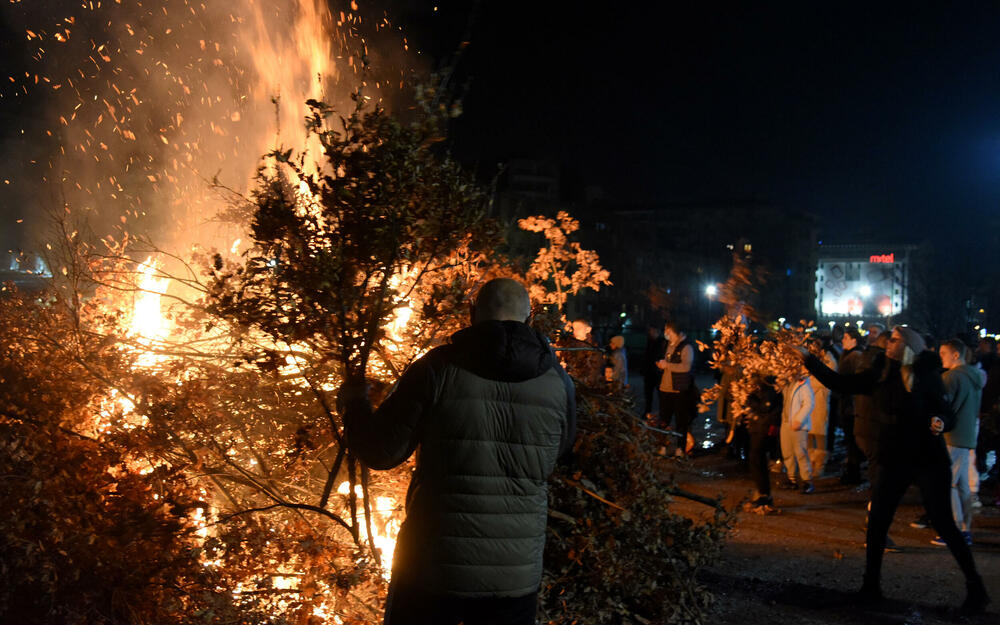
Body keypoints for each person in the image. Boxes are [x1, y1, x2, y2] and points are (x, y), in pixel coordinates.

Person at [342, 278, 576, 625]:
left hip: (432, 572)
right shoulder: (559, 382)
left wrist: (354, 405)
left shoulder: (436, 369)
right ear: (530, 321)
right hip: (513, 580)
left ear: (471, 314)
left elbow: (381, 451)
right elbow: (562, 451)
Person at [799, 326, 989, 615]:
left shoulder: (928, 376)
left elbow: (946, 412)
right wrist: (807, 359)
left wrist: (940, 421)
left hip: (928, 458)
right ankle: (870, 587)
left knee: (944, 523)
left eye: (896, 339)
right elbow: (841, 383)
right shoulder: (880, 372)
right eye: (889, 338)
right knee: (877, 523)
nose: (889, 342)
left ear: (910, 345)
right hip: (893, 457)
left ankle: (976, 589)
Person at [933, 339, 982, 546]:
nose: (940, 356)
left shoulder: (951, 378)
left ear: (955, 355)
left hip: (952, 436)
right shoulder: (975, 377)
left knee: (948, 483)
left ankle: (955, 530)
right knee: (961, 485)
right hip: (967, 435)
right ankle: (964, 529)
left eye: (943, 353)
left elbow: (943, 408)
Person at [656, 323, 698, 456]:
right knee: (664, 420)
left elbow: (686, 367)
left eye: (666, 330)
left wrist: (667, 365)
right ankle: (662, 447)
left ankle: (680, 448)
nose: (665, 332)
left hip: (680, 390)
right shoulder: (667, 345)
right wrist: (662, 366)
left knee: (681, 421)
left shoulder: (686, 347)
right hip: (665, 388)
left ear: (672, 330)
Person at [746, 374, 782, 510]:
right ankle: (762, 493)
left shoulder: (769, 391)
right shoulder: (765, 389)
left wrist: (751, 399)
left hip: (763, 428)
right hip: (759, 427)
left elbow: (765, 407)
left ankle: (764, 494)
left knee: (758, 460)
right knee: (756, 461)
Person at [838, 328, 866, 484]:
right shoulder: (849, 355)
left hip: (852, 407)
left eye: (846, 337)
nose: (843, 340)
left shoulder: (855, 357)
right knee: (850, 441)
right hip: (848, 406)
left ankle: (854, 473)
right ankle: (852, 470)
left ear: (854, 340)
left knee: (853, 441)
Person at [780, 370, 815, 493]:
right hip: (785, 422)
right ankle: (792, 479)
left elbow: (809, 403)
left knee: (800, 452)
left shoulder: (803, 383)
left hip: (797, 424)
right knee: (787, 451)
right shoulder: (785, 382)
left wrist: (799, 419)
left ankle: (807, 481)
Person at [806, 338, 837, 476]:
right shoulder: (811, 359)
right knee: (809, 433)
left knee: (819, 434)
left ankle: (819, 464)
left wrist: (811, 381)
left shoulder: (829, 360)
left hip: (820, 401)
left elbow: (826, 381)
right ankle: (810, 461)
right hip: (809, 402)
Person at [640, 325, 667, 418]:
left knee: (660, 393)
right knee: (648, 394)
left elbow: (658, 356)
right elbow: (647, 357)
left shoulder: (661, 343)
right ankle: (648, 411)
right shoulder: (650, 341)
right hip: (649, 372)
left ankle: (662, 412)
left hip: (657, 372)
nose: (650, 333)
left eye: (652, 331)